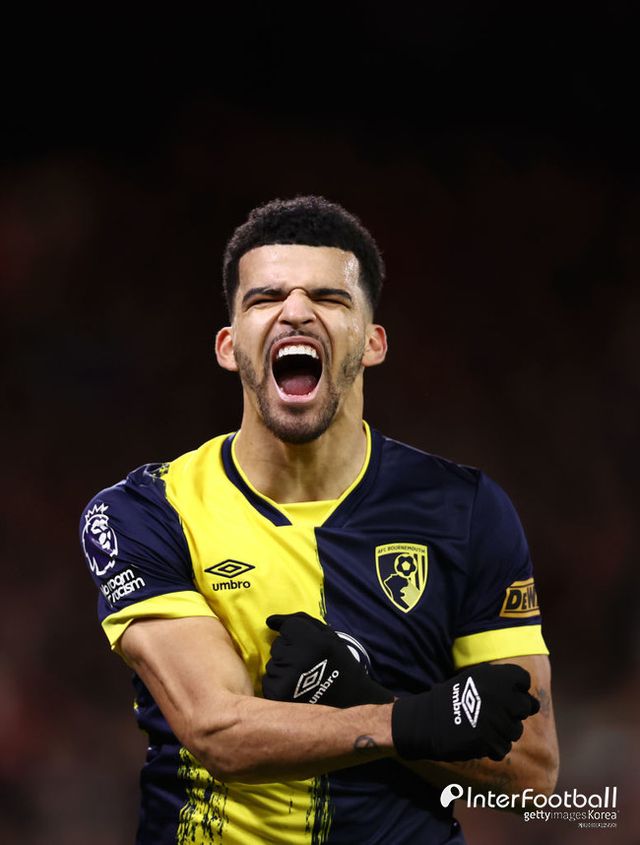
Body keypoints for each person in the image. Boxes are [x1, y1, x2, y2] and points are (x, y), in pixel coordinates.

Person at [80, 196, 559, 844]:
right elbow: (217, 730)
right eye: (265, 297)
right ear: (229, 346)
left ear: (373, 342)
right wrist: (406, 723)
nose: (297, 311)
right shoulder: (147, 510)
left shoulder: (466, 509)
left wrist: (363, 699)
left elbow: (533, 773)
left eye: (330, 298)